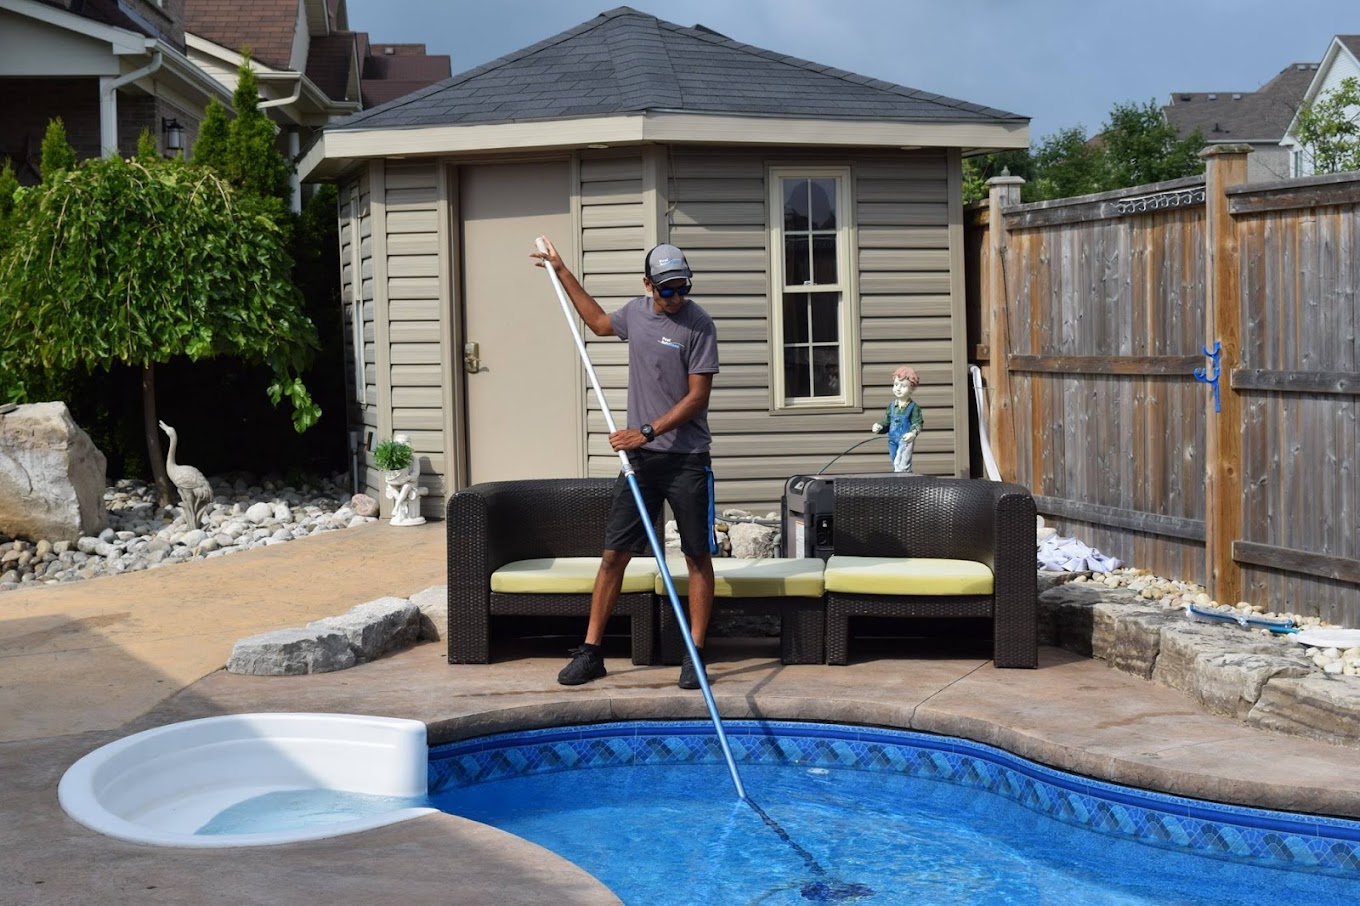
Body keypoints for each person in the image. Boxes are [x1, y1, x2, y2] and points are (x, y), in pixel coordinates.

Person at [531, 238, 720, 690]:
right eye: (666, 290)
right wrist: (561, 271)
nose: (676, 298)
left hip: (687, 458)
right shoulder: (636, 314)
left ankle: (694, 654)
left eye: (682, 288)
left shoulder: (699, 325)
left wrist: (647, 431)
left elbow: (698, 398)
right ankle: (592, 652)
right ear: (647, 285)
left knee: (696, 555)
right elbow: (596, 323)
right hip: (640, 460)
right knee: (614, 554)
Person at [871, 366, 924, 473]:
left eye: (903, 386)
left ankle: (904, 484)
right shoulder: (891, 406)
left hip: (905, 440)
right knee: (895, 462)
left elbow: (917, 423)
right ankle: (900, 484)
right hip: (892, 440)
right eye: (896, 385)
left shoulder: (913, 407)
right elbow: (886, 422)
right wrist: (879, 427)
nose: (898, 389)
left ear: (912, 389)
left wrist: (913, 433)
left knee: (902, 465)